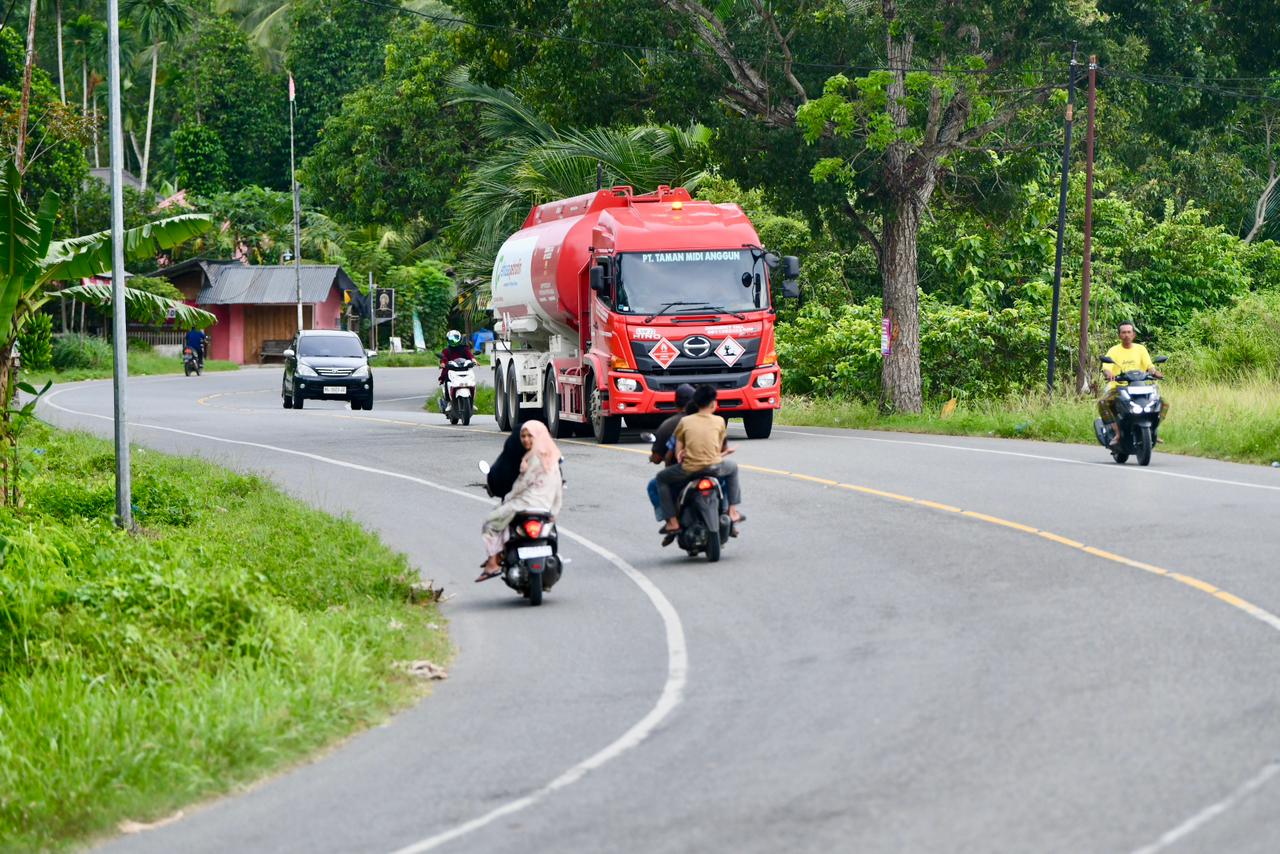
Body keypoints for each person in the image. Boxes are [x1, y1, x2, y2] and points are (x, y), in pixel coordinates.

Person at [477, 420, 563, 582]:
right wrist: (554, 512)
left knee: (490, 523)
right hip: (544, 508)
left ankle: (493, 562)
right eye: (523, 436)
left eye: (530, 436)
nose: (525, 439)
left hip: (524, 505)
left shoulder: (531, 459)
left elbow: (521, 486)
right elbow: (558, 490)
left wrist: (508, 500)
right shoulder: (552, 458)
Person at [656, 384, 744, 536]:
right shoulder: (719, 421)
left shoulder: (685, 422)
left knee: (661, 478)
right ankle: (732, 511)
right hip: (714, 468)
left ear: (696, 403)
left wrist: (682, 455)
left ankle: (672, 522)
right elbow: (718, 449)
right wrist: (723, 454)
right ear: (713, 403)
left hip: (689, 469)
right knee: (733, 468)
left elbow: (678, 452)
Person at [1099, 321, 1163, 445]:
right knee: (1103, 403)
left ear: (1134, 334)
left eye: (1129, 332)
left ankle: (1153, 431)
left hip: (1140, 387)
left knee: (1161, 403)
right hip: (1118, 387)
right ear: (1119, 335)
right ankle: (1117, 433)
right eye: (1123, 332)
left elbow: (1149, 366)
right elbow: (1106, 367)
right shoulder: (1113, 351)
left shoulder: (1140, 349)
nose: (1126, 335)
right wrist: (1109, 374)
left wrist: (1155, 372)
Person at [646, 383, 695, 543]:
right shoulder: (709, 420)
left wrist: (655, 458)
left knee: (654, 484)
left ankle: (671, 521)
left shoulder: (670, 425)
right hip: (708, 468)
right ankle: (729, 513)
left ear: (675, 402)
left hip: (681, 473)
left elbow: (662, 456)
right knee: (725, 477)